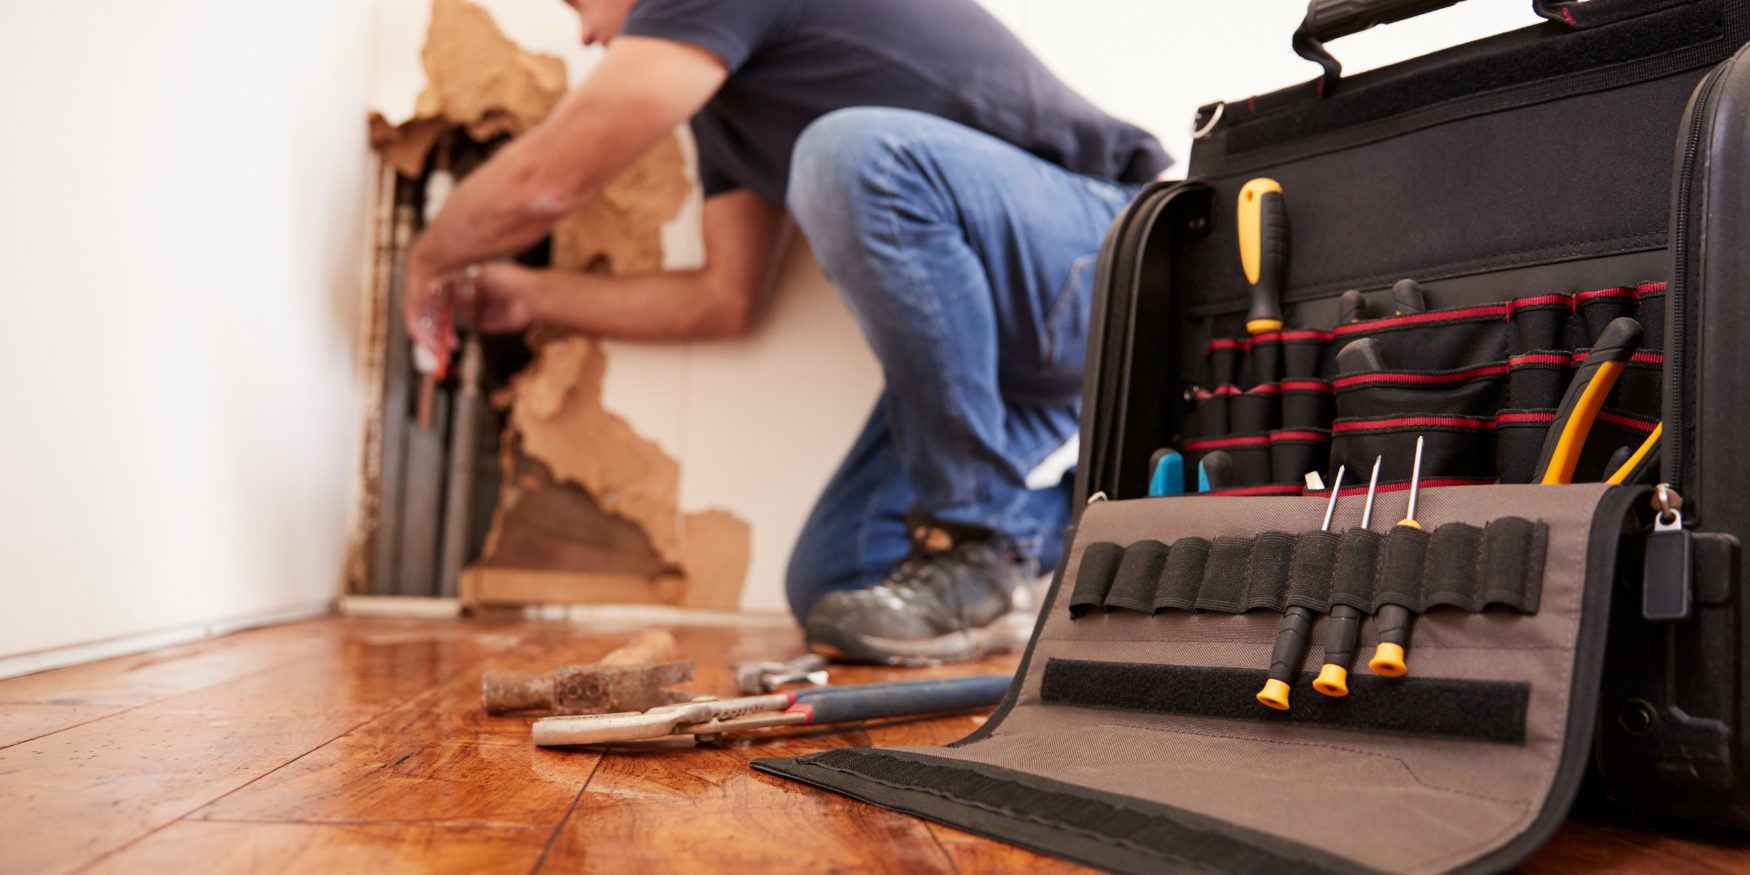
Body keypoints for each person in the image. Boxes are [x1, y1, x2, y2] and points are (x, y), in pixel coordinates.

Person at [403, 0, 1170, 664]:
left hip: (1111, 254)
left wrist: (432, 255)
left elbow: (550, 181)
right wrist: (532, 295)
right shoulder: (723, 110)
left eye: (581, 7)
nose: (585, 38)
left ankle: (980, 543)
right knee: (840, 579)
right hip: (1007, 360)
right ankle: (1124, 525)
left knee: (849, 156)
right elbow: (723, 298)